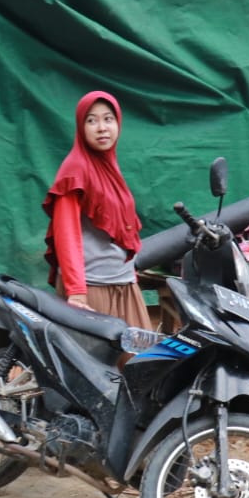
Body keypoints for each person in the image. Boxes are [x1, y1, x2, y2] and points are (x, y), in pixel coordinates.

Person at [42, 90, 150, 329]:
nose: (102, 128)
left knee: (139, 362)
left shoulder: (109, 166)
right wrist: (77, 291)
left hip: (123, 284)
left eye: (108, 119)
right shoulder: (75, 170)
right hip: (91, 289)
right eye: (91, 120)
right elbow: (66, 234)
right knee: (94, 365)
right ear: (81, 128)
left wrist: (129, 274)